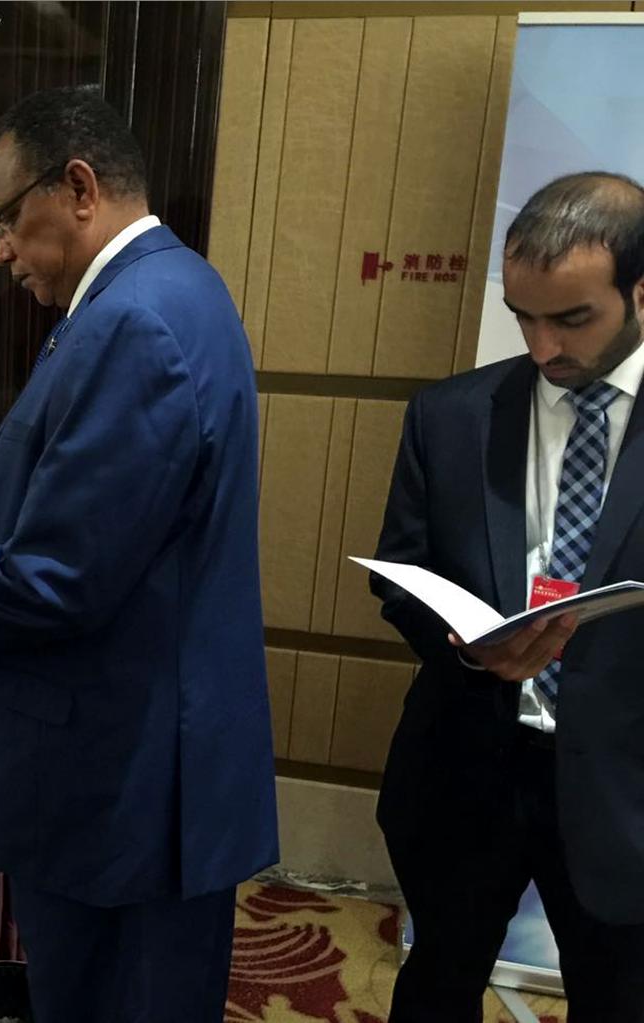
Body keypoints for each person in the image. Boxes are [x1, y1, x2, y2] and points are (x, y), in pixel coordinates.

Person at [0, 87, 277, 1022]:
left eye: (4, 218)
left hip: (124, 784)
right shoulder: (168, 288)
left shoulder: (133, 323)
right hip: (145, 754)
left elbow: (57, 581)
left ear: (78, 187)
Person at [371, 171, 644, 1022]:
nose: (542, 345)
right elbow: (400, 573)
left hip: (624, 786)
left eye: (572, 318)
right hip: (466, 766)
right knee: (437, 983)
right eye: (523, 316)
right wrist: (466, 648)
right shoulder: (450, 414)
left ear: (641, 292)